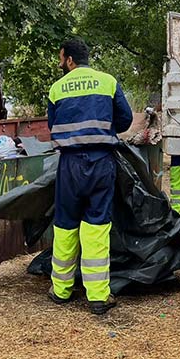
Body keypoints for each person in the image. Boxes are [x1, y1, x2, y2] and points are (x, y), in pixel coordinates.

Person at [46, 38, 132, 315]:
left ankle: (61, 290)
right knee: (96, 225)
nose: (60, 63)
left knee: (65, 224)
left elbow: (52, 124)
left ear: (70, 60)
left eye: (61, 58)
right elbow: (125, 119)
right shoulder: (107, 81)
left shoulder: (57, 88)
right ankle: (97, 296)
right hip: (101, 162)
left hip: (69, 164)